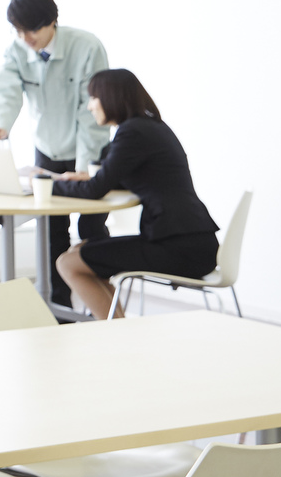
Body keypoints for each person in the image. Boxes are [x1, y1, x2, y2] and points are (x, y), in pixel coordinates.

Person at [52, 69, 218, 319]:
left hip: (178, 247)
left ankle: (119, 332)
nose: (89, 106)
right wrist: (89, 178)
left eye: (93, 98)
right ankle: (120, 329)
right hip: (192, 241)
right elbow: (123, 178)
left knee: (67, 263)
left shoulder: (133, 132)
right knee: (80, 252)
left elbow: (95, 190)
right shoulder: (151, 127)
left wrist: (42, 185)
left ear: (111, 98)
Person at [0, 0, 111, 307]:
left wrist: (83, 167)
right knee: (53, 230)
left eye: (32, 30)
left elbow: (91, 110)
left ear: (52, 22)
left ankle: (102, 301)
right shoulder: (17, 49)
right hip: (48, 150)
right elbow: (6, 89)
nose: (26, 38)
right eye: (18, 31)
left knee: (91, 226)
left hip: (89, 149)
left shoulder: (86, 47)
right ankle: (61, 308)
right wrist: (1, 123)